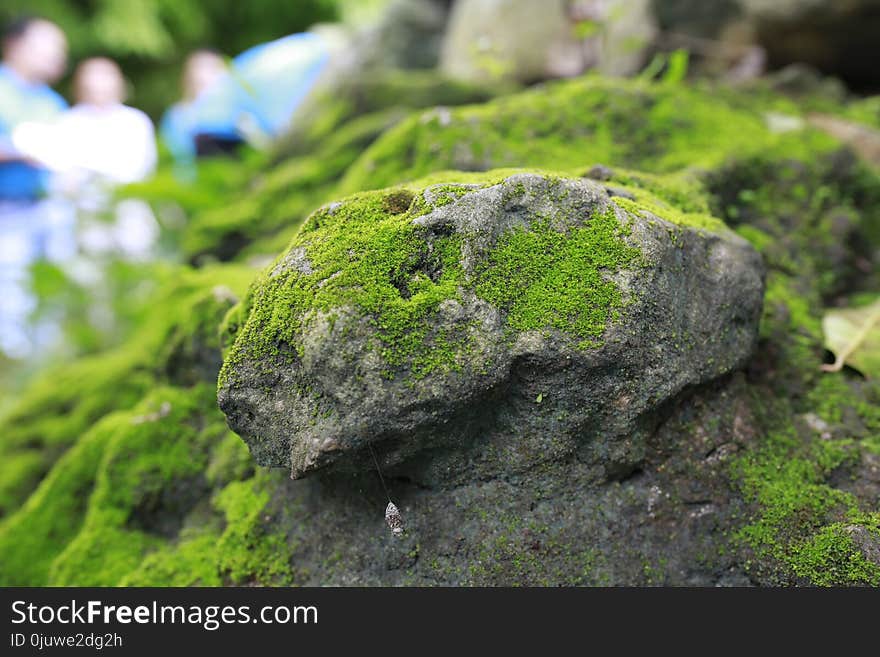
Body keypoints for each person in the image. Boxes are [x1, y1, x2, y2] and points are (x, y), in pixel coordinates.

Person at [0, 17, 68, 359]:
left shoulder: (52, 102)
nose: (57, 57)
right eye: (48, 47)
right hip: (6, 210)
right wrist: (18, 151)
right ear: (16, 44)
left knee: (50, 292)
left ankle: (43, 366)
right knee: (10, 295)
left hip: (49, 208)